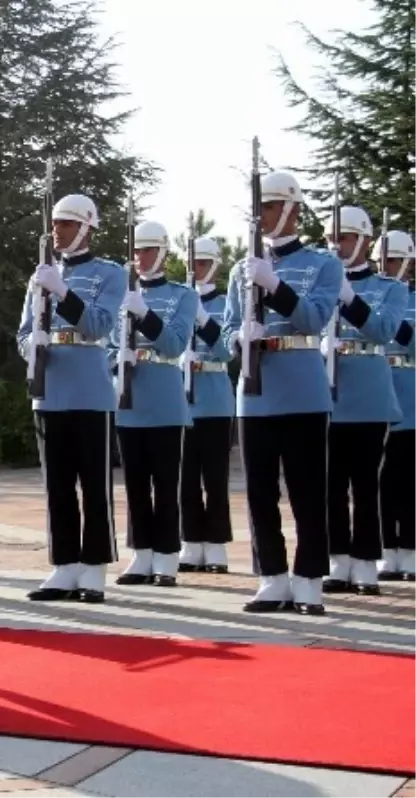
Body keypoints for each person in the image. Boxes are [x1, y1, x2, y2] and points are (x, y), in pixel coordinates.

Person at [221, 170, 340, 615]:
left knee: (308, 489)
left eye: (270, 207)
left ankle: (309, 578)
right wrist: (239, 338)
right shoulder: (240, 269)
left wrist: (274, 287)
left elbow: (313, 320)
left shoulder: (322, 263)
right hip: (255, 389)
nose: (263, 216)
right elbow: (228, 329)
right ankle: (271, 576)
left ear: (291, 209)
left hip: (303, 387)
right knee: (259, 491)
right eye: (258, 208)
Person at [16, 194, 124, 603]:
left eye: (66, 224)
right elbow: (23, 331)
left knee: (93, 485)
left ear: (86, 228)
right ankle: (64, 566)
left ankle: (94, 567)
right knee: (57, 486)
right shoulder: (39, 275)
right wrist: (32, 345)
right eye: (56, 223)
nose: (58, 230)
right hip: (49, 389)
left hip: (90, 390)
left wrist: (62, 292)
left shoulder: (109, 274)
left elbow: (98, 326)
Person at [322, 207, 405, 595]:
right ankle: (338, 559)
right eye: (331, 239)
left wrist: (350, 297)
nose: (336, 246)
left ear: (364, 242)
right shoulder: (320, 282)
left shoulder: (390, 287)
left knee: (366, 483)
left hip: (369, 393)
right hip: (327, 392)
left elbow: (384, 330)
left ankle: (366, 561)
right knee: (330, 484)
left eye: (344, 238)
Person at [110, 222, 198, 588]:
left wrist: (145, 315)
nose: (140, 258)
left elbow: (175, 345)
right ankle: (141, 553)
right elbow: (109, 344)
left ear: (163, 252)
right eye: (137, 251)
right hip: (129, 398)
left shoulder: (183, 296)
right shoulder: (121, 294)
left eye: (147, 250)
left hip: (163, 398)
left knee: (165, 483)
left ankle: (166, 556)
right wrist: (118, 360)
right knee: (134, 483)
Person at [179, 237, 236, 573]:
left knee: (215, 477)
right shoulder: (178, 299)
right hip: (182, 402)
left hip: (214, 399)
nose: (195, 269)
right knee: (185, 478)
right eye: (191, 263)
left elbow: (229, 351)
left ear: (215, 265)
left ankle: (216, 543)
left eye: (201, 263)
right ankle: (191, 541)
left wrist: (202, 319)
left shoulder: (227, 304)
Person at [378, 229, 416, 581]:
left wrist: (392, 315)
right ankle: (388, 550)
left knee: (409, 481)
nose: (385, 267)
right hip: (377, 392)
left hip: (411, 398)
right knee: (382, 482)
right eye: (382, 260)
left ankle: (411, 550)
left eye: (391, 260)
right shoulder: (374, 294)